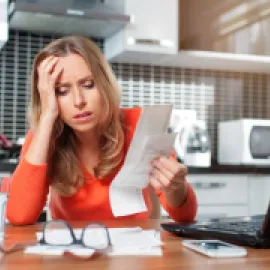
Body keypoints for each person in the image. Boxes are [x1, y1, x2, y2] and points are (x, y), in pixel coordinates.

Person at [4, 36, 197, 225]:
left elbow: (185, 216)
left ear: (104, 83)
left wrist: (176, 187)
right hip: (71, 249)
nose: (79, 101)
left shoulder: (139, 124)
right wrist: (46, 117)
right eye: (62, 91)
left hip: (134, 251)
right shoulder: (43, 136)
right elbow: (19, 216)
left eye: (88, 85)